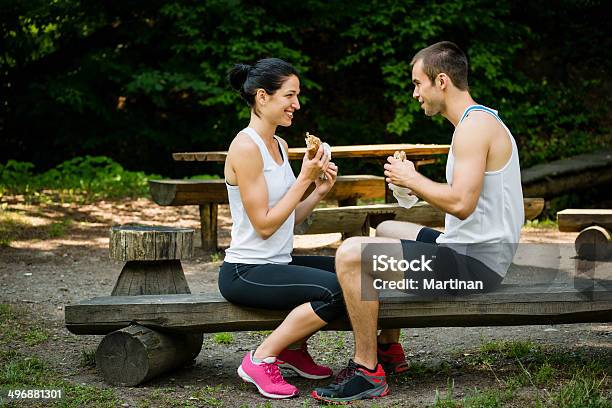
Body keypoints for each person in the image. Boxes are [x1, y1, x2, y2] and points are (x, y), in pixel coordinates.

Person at [312, 41, 524, 403]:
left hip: (475, 266)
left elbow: (461, 203)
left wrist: (412, 179)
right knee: (387, 229)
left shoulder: (473, 129)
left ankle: (366, 370)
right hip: (468, 250)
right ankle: (389, 350)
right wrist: (409, 190)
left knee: (351, 254)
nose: (415, 94)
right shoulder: (478, 120)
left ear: (441, 81)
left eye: (417, 84)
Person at [219, 58, 344, 399]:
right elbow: (262, 225)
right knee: (335, 291)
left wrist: (318, 191)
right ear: (262, 97)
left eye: (297, 95)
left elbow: (288, 217)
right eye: (290, 95)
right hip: (246, 270)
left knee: (352, 270)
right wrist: (304, 178)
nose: (297, 104)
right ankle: (260, 358)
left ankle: (294, 349)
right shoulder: (246, 147)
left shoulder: (280, 145)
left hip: (279, 261)